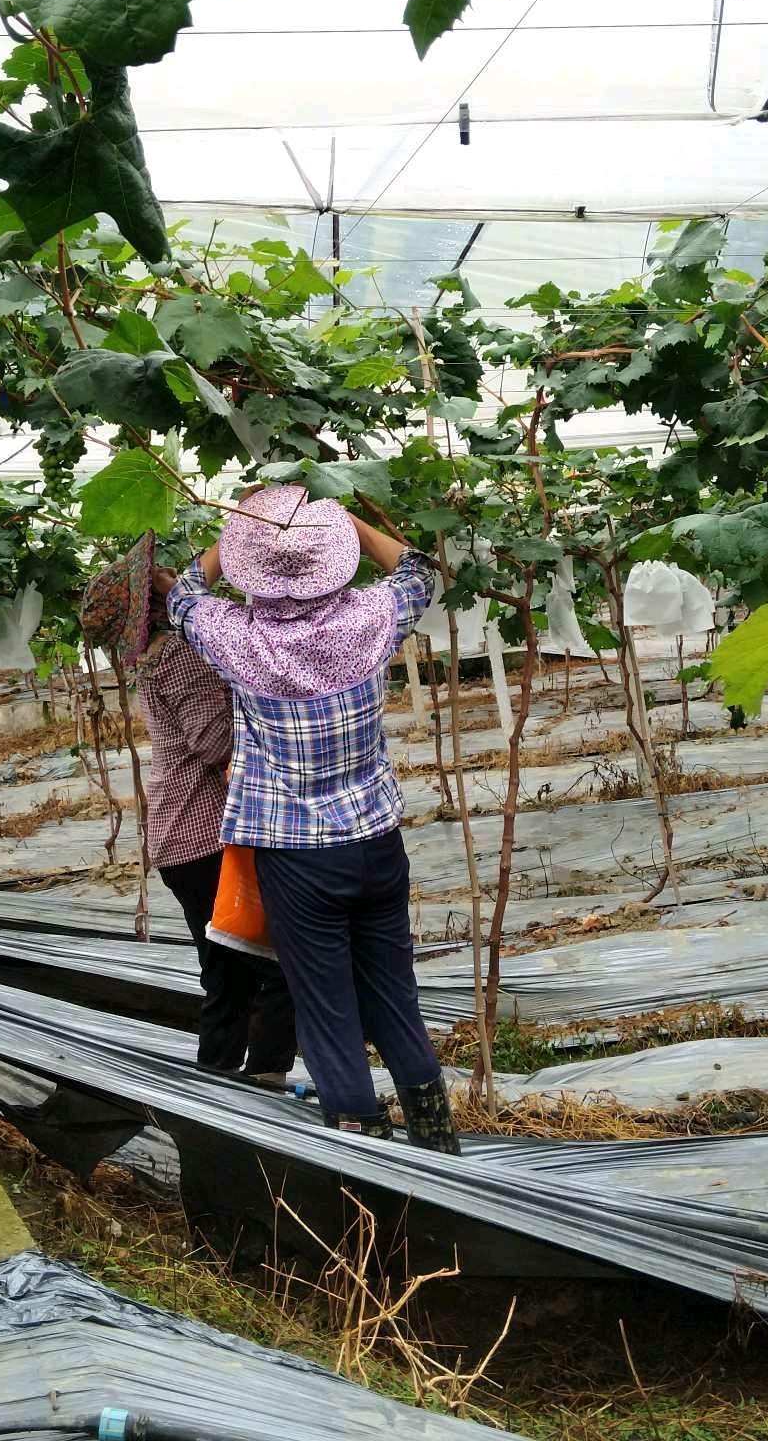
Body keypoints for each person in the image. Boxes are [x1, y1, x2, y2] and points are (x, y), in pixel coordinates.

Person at [165, 484, 459, 1153]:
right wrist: (342, 517)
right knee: (396, 999)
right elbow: (420, 570)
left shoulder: (234, 634)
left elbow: (179, 595)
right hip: (376, 843)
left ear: (249, 567)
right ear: (336, 556)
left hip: (295, 857)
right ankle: (440, 1149)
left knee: (327, 1012)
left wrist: (246, 531)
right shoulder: (371, 617)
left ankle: (366, 1176)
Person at [80, 534, 296, 1081]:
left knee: (228, 967)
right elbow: (215, 741)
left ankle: (221, 1080)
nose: (177, 577)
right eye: (165, 580)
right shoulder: (181, 656)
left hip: (183, 837)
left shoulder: (157, 658)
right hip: (206, 836)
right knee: (276, 961)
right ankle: (256, 1075)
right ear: (156, 604)